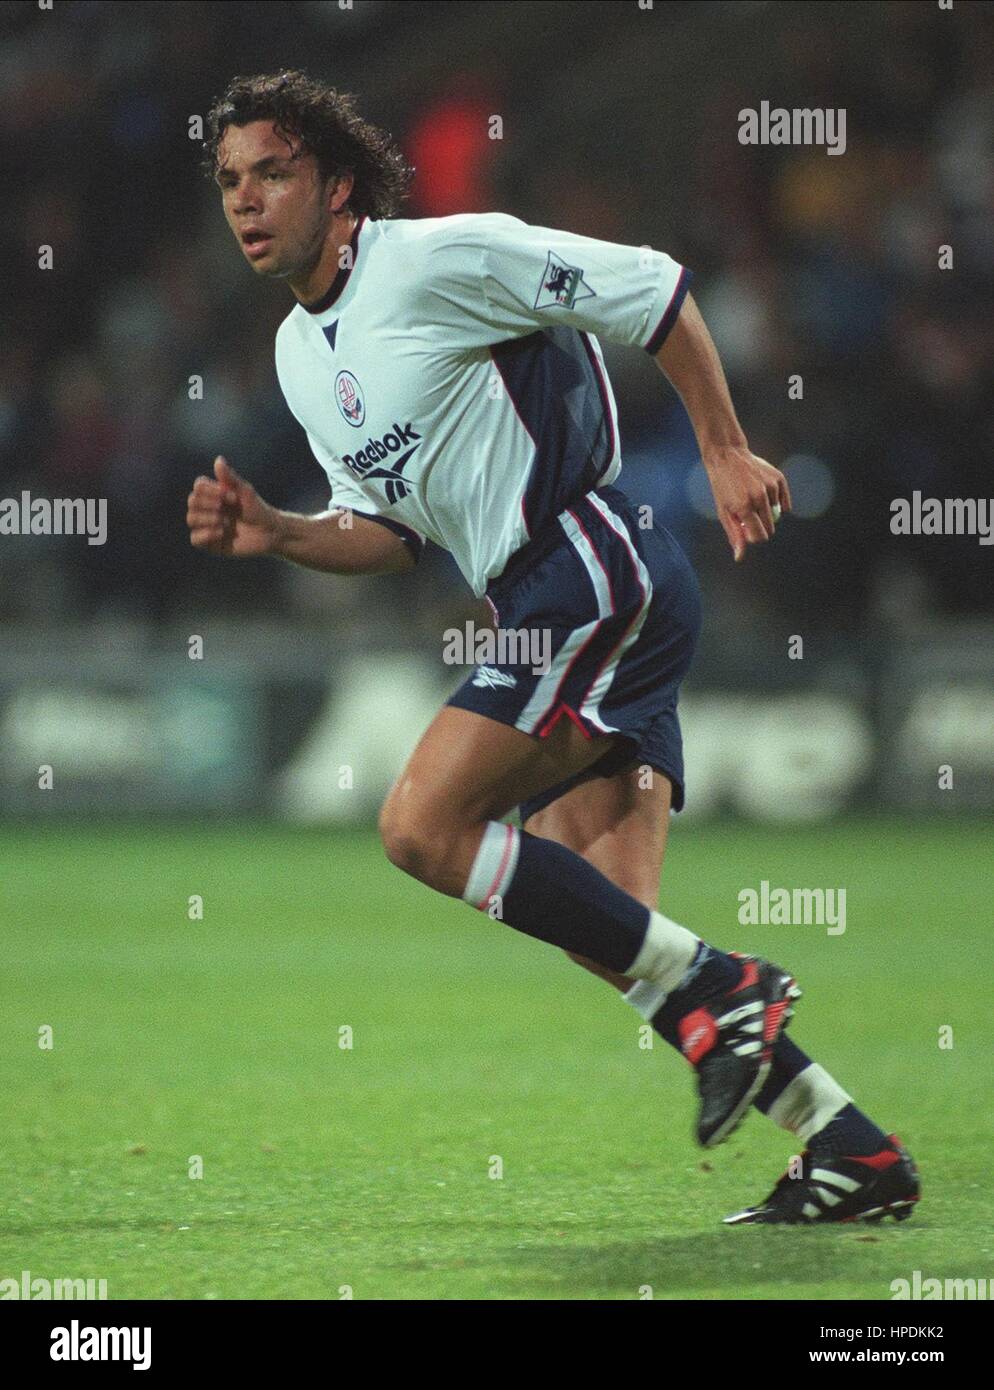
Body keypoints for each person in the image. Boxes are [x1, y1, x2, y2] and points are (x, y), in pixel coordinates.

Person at [188, 70, 918, 1223]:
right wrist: (281, 533)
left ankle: (728, 985)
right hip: (545, 592)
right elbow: (392, 534)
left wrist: (725, 450)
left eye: (272, 171)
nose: (246, 199)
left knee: (419, 826)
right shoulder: (296, 353)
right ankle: (849, 1148)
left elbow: (656, 292)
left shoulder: (435, 258)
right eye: (229, 179)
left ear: (334, 183)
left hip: (587, 563)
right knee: (616, 937)